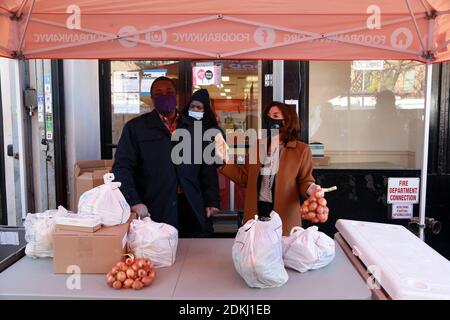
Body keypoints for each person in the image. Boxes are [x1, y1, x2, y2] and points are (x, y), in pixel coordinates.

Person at [112, 77, 220, 237]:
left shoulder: (194, 128)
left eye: (169, 92)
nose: (165, 96)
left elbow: (207, 168)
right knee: (160, 256)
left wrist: (211, 200)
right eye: (158, 93)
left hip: (192, 206)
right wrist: (134, 201)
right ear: (152, 98)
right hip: (154, 207)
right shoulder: (136, 128)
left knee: (195, 255)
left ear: (176, 96)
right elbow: (122, 168)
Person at [216, 101, 323, 236]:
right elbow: (245, 179)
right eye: (268, 116)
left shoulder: (301, 150)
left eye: (275, 115)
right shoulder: (258, 145)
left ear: (287, 121)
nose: (270, 119)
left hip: (283, 214)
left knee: (282, 254)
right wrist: (226, 158)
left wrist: (311, 188)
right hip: (257, 212)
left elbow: (304, 180)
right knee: (256, 254)